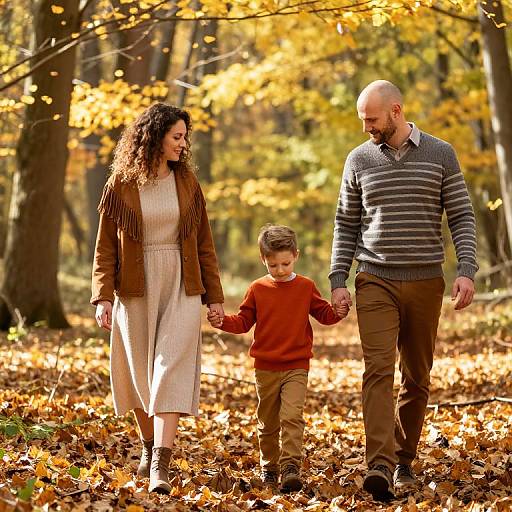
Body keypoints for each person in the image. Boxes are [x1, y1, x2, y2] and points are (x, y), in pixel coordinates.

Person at [329, 80, 478, 500]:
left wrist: (466, 269)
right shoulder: (358, 160)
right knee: (378, 369)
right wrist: (338, 279)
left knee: (417, 376)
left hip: (426, 281)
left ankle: (403, 460)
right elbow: (345, 223)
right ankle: (378, 463)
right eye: (363, 119)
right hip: (374, 278)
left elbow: (462, 216)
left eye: (371, 119)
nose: (365, 128)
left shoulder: (440, 153)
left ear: (396, 111)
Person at [91, 103, 224, 494]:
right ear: (154, 137)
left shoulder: (187, 184)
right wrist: (102, 297)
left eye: (185, 137)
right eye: (177, 137)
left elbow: (205, 245)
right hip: (135, 285)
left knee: (170, 369)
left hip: (182, 283)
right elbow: (104, 249)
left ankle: (160, 466)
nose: (184, 145)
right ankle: (149, 447)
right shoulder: (120, 184)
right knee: (138, 377)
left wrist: (213, 297)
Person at [208, 224, 348, 492]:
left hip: (297, 364)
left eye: (285, 263)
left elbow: (324, 315)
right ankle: (270, 468)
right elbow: (243, 322)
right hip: (266, 367)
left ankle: (291, 467)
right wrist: (222, 321)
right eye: (273, 265)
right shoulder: (257, 288)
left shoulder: (305, 286)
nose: (280, 270)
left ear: (296, 255)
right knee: (268, 422)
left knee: (292, 416)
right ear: (264, 260)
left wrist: (339, 310)